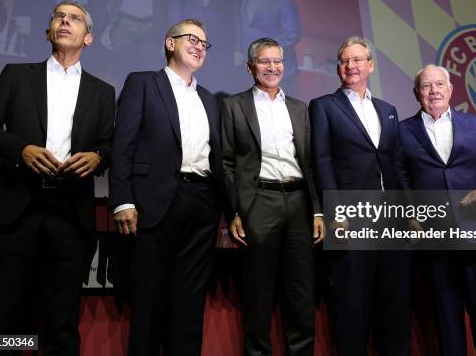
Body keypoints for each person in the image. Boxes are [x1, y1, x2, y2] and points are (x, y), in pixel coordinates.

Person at [0, 0, 115, 354]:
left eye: (75, 18)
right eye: (58, 16)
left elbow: (111, 147)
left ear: (89, 38)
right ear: (48, 30)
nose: (65, 21)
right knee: (0, 317)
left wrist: (98, 157)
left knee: (60, 322)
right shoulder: (16, 75)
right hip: (18, 206)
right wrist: (20, 150)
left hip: (70, 212)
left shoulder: (103, 91)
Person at [109, 19, 230, 355]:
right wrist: (122, 200)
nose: (199, 46)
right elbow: (123, 145)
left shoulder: (210, 99)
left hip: (203, 203)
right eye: (191, 39)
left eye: (204, 43)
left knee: (190, 303)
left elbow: (219, 157)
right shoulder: (143, 83)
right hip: (155, 201)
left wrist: (228, 207)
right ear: (169, 43)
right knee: (149, 302)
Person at [399, 64, 476, 355]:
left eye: (439, 84)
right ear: (416, 93)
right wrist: (410, 214)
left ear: (451, 90)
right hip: (434, 240)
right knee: (446, 319)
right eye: (426, 86)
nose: (434, 91)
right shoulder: (401, 132)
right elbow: (400, 180)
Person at [309, 36, 411, 355]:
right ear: (338, 69)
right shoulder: (324, 106)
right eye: (344, 61)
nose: (350, 66)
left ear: (370, 65)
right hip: (351, 221)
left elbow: (395, 162)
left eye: (356, 60)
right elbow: (321, 160)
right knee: (351, 306)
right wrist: (335, 212)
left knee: (393, 307)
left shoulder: (388, 110)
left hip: (391, 223)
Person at [222, 38, 324, 355]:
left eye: (277, 61)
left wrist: (318, 211)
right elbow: (225, 162)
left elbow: (310, 164)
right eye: (264, 62)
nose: (272, 67)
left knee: (301, 293)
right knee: (258, 293)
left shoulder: (299, 108)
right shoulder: (233, 105)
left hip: (299, 204)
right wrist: (235, 210)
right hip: (259, 203)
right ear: (250, 66)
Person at [169, 0, 243, 88]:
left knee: (220, 85)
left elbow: (237, 15)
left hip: (222, 45)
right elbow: (175, 6)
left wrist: (238, 48)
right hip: (188, 41)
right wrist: (173, 37)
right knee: (186, 86)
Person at [239, 0, 301, 90]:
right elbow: (243, 26)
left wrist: (262, 49)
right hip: (250, 68)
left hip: (277, 71)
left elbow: (292, 34)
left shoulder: (284, 1)